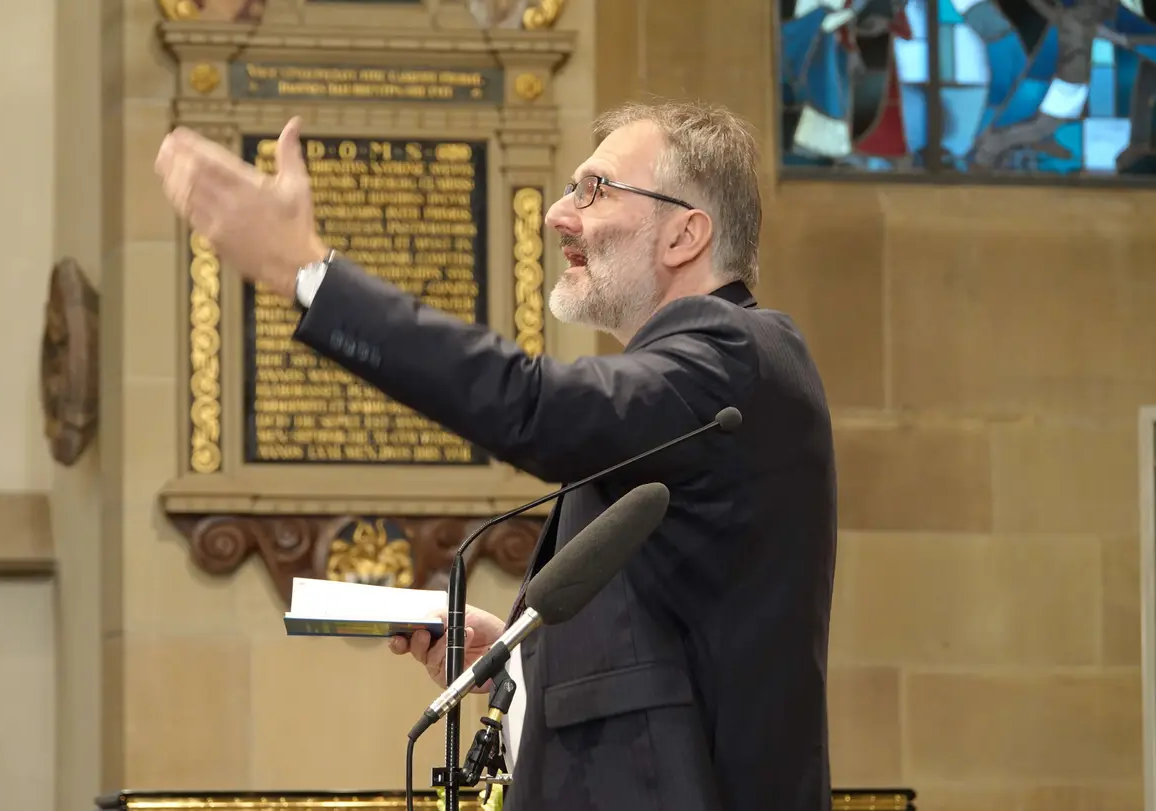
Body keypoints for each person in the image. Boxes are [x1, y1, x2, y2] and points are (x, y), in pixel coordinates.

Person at [155, 99, 838, 811]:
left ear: (684, 235)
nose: (558, 214)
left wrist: (304, 271)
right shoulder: (692, 383)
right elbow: (662, 643)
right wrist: (519, 652)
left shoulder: (735, 355)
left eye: (596, 189)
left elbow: (533, 408)